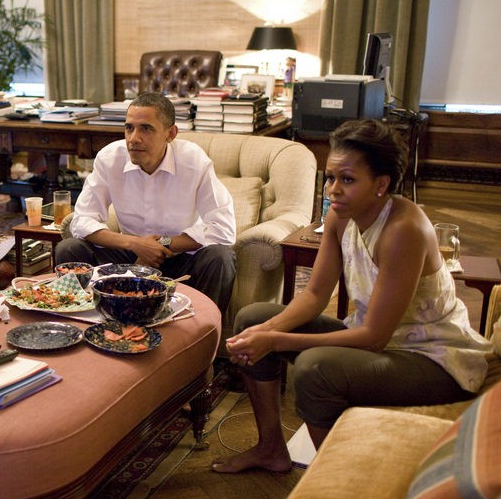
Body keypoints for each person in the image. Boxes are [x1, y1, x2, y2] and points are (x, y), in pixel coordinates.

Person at [215, 119, 492, 474]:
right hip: (383, 344)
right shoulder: (338, 217)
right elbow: (315, 295)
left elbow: (374, 338)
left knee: (315, 369)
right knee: (251, 318)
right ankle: (271, 448)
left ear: (381, 184)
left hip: (431, 357)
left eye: (347, 179)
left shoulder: (404, 229)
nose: (333, 190)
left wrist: (274, 339)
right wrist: (263, 331)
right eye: (330, 178)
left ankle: (337, 478)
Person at [54, 92, 237, 312]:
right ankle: (81, 321)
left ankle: (205, 331)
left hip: (179, 257)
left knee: (221, 257)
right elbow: (82, 221)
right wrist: (135, 244)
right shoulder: (109, 158)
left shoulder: (194, 161)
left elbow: (224, 229)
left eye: (146, 129)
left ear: (171, 134)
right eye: (129, 128)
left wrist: (163, 245)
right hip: (129, 255)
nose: (134, 138)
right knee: (70, 249)